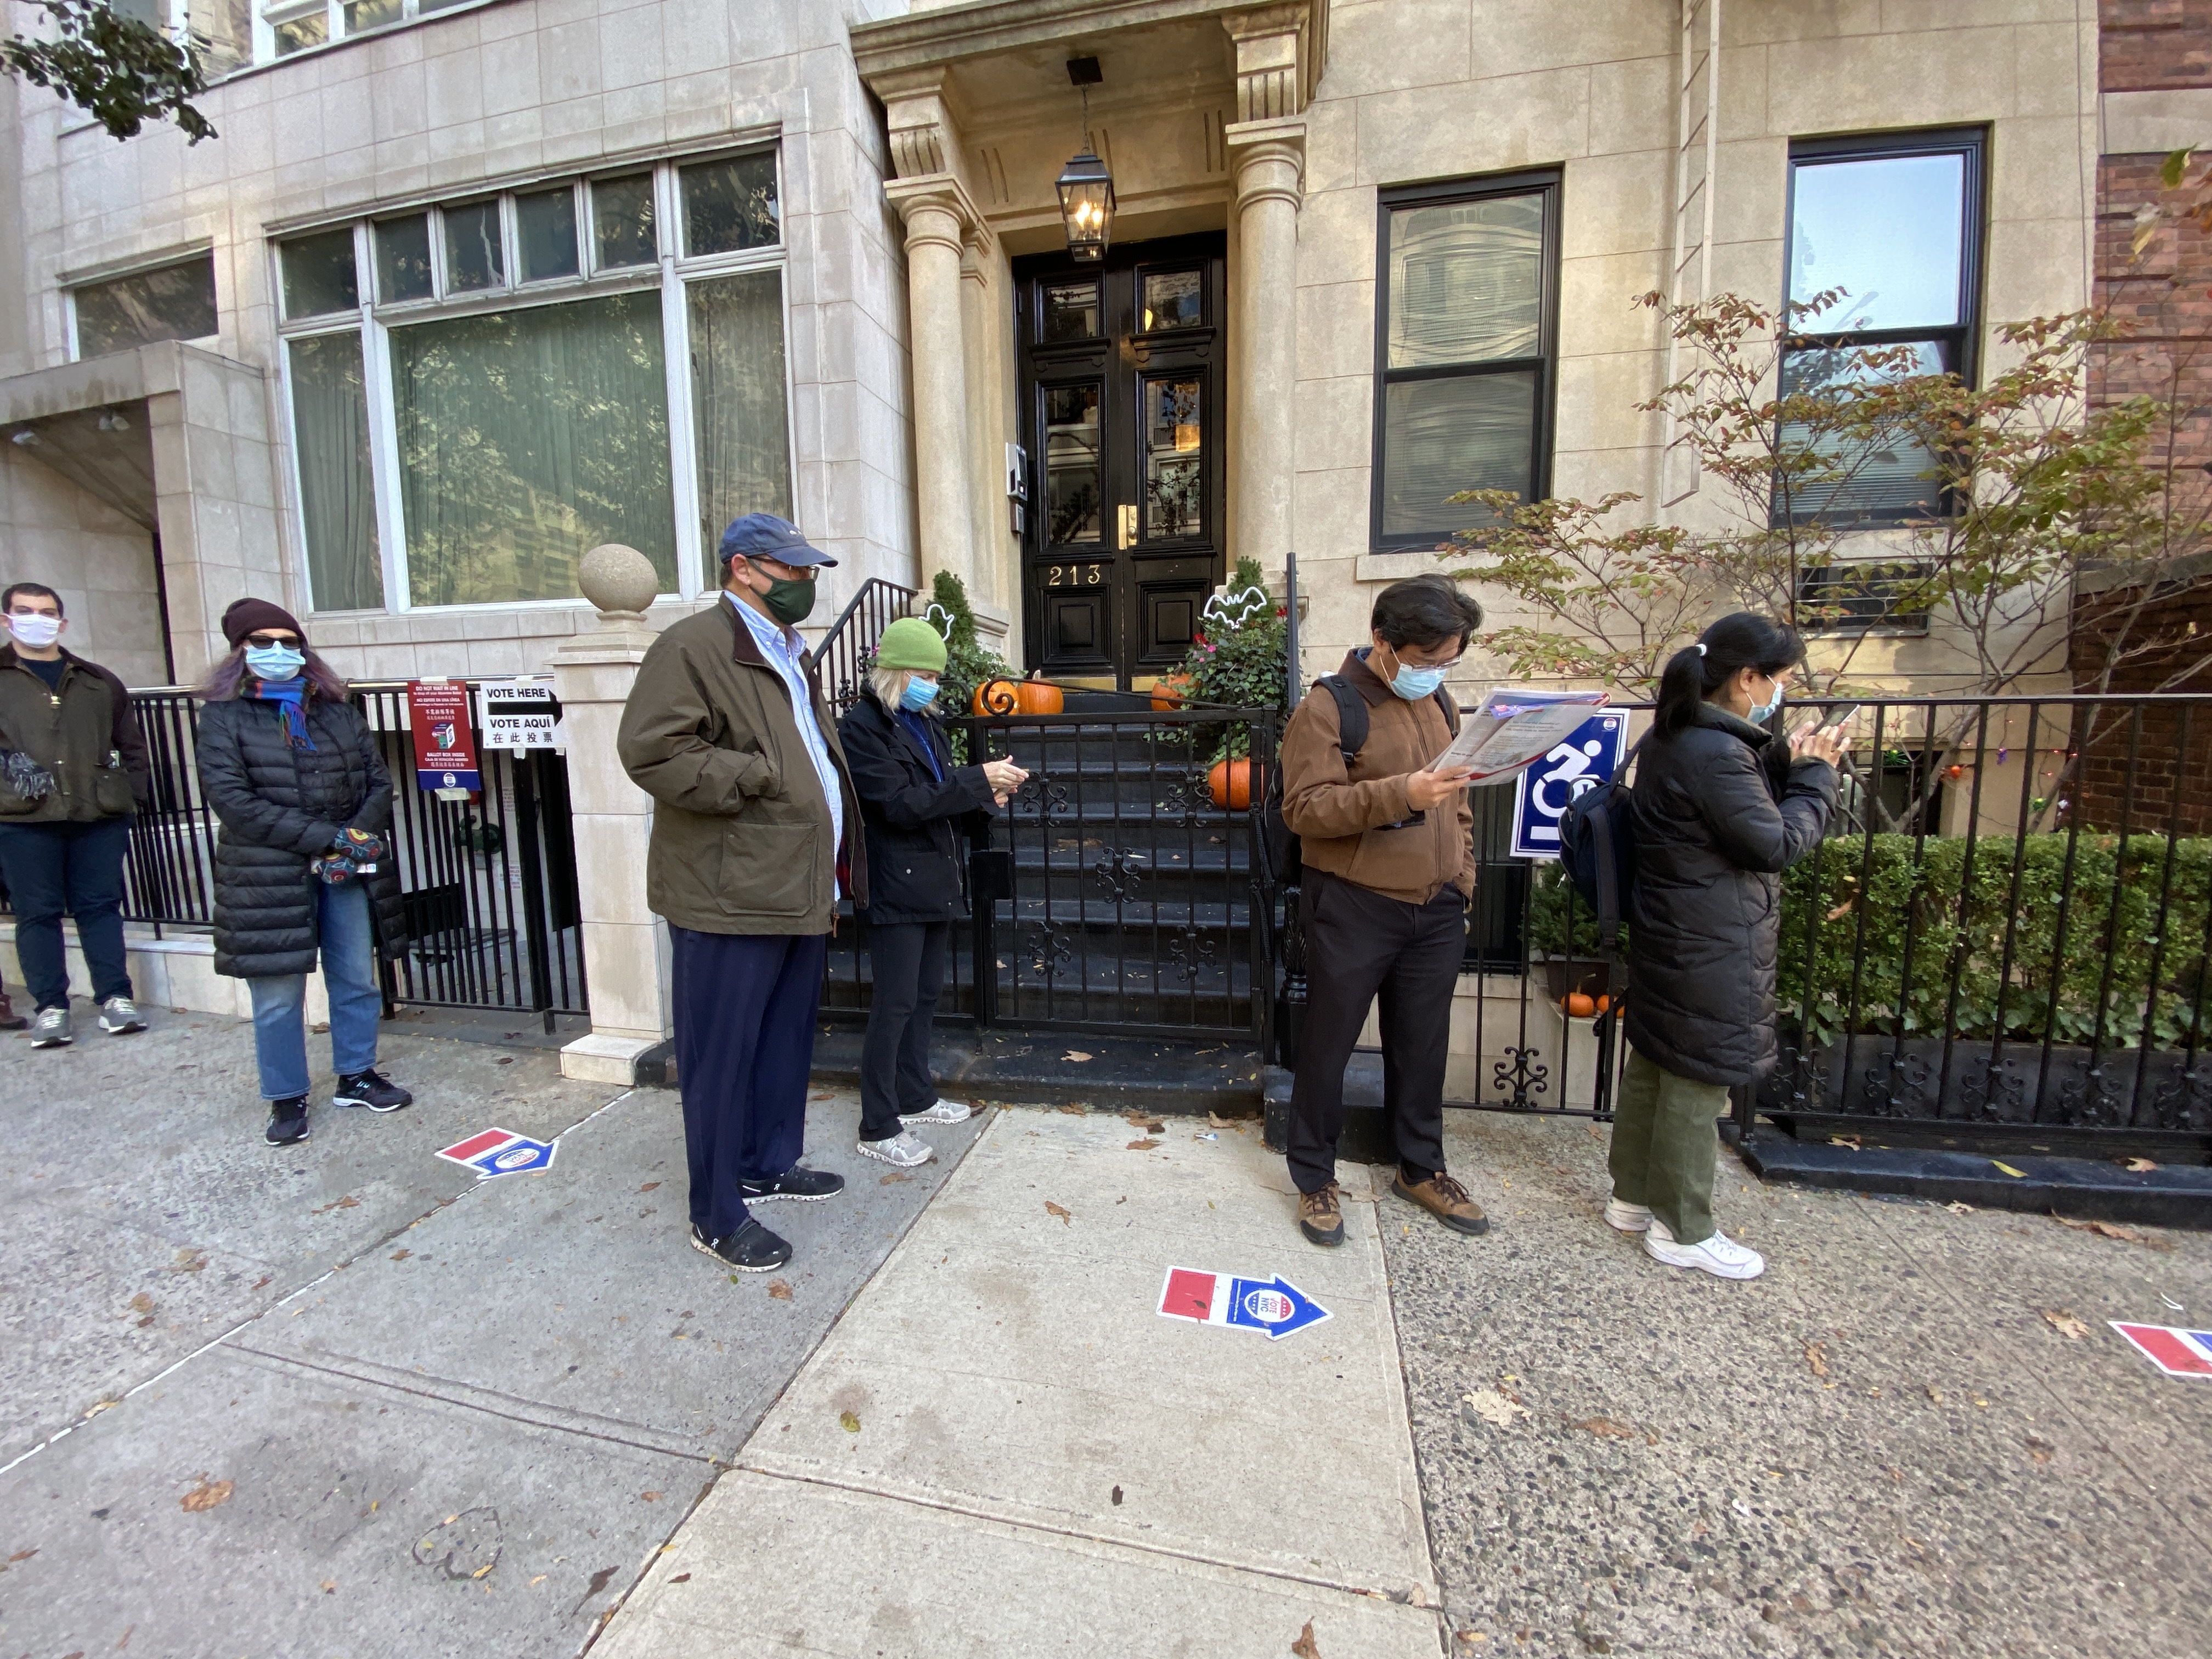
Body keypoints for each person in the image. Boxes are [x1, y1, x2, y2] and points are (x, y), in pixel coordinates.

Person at [619, 514, 864, 1275]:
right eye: (792, 569)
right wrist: (756, 775)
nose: (806, 583)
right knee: (721, 1059)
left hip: (793, 885)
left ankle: (768, 1163)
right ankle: (717, 1213)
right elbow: (652, 751)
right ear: (743, 569)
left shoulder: (789, 649)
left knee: (784, 1042)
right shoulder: (693, 646)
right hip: (728, 893)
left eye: (809, 571)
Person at [1607, 612, 1841, 1281]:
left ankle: (1632, 1197)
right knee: (1698, 1076)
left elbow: (1732, 816)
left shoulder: (1677, 735)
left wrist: (1785, 759)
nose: (1779, 692)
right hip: (1712, 935)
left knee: (1659, 1059)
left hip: (1673, 926)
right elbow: (1774, 843)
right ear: (1745, 679)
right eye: (1779, 679)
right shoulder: (1714, 751)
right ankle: (1683, 1229)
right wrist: (1817, 777)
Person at [1278, 573, 1489, 1249]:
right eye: (1428, 659)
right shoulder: (1328, 708)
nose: (1437, 672)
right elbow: (1305, 810)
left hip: (1436, 905)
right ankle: (1315, 1177)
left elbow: (1459, 802)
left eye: (1449, 660)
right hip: (1354, 902)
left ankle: (1421, 1169)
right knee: (1329, 1044)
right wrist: (1403, 794)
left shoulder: (1441, 703)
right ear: (1383, 641)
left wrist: (1462, 879)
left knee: (1423, 1046)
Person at [195, 599, 413, 1145]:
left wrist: (351, 839)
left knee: (356, 978)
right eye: (263, 642)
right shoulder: (223, 717)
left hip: (344, 869)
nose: (278, 651)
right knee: (277, 996)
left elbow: (378, 782)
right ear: (240, 650)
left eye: (289, 642)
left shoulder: (337, 711)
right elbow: (234, 801)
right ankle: (286, 1096)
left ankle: (357, 1075)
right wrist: (328, 837)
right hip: (267, 875)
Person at [836, 617, 1025, 1168]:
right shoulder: (862, 728)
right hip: (894, 881)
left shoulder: (925, 723)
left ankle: (915, 1095)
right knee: (894, 1003)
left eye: (936, 677)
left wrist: (986, 797)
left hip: (935, 878)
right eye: (923, 675)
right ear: (894, 671)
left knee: (923, 996)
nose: (932, 685)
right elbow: (898, 804)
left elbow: (939, 798)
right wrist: (976, 781)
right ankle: (878, 1124)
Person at [0, 582, 150, 1048]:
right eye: (25, 611)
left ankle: (116, 998)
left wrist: (132, 800)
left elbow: (132, 745)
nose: (37, 619)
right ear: (7, 619)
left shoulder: (97, 681)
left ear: (62, 623)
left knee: (100, 907)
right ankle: (51, 1007)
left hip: (97, 814)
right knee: (36, 913)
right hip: (22, 818)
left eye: (47, 612)